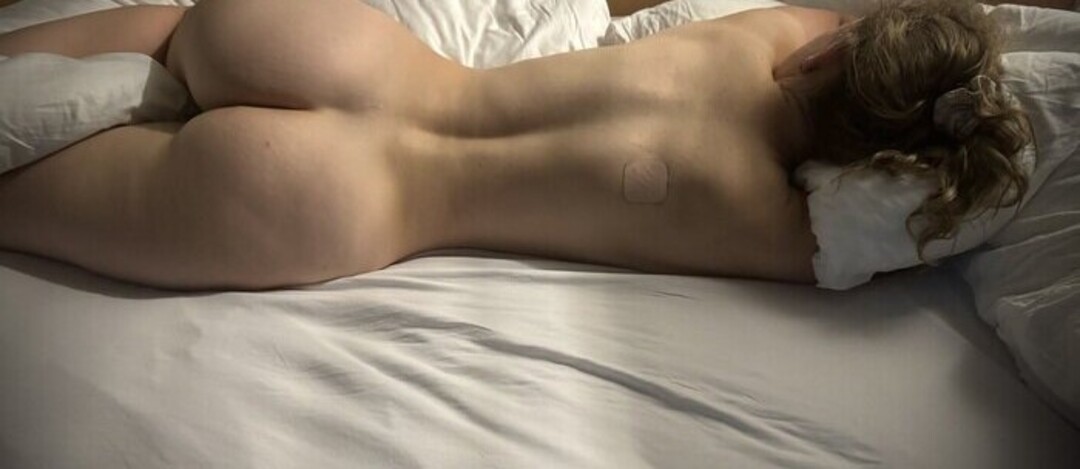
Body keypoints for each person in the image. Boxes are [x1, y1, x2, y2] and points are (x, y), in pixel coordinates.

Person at [0, 0, 1034, 290]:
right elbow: (917, 224)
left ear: (832, 52)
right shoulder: (772, 224)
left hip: (342, 48)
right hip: (336, 196)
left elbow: (865, 31)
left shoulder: (759, 33)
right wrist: (960, 141)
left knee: (163, 32)